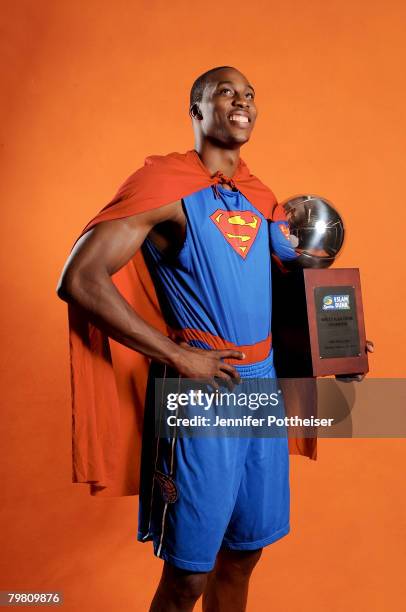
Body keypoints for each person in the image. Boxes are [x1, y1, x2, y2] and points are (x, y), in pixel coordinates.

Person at [57, 66, 373, 612]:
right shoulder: (163, 187)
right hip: (201, 396)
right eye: (225, 91)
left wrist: (334, 348)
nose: (241, 100)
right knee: (187, 578)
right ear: (196, 109)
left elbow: (278, 289)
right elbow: (79, 280)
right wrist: (179, 356)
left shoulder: (261, 196)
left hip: (262, 390)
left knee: (243, 556)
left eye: (249, 94)